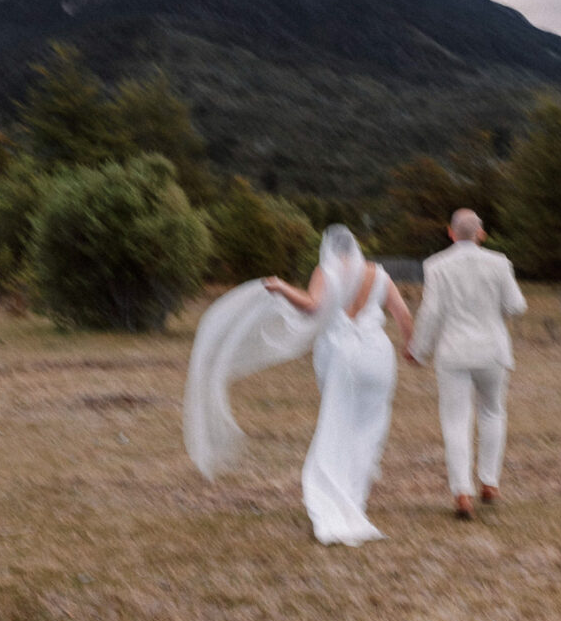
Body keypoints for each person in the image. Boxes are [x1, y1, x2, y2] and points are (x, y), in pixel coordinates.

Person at [183, 225, 413, 547]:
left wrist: (279, 287)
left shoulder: (328, 271)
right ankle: (354, 497)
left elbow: (311, 305)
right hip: (377, 357)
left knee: (338, 424)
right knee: (370, 428)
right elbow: (403, 315)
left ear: (330, 249)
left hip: (342, 356)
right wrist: (411, 349)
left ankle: (337, 498)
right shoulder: (380, 275)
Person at [406, 209, 526, 519]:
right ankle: (490, 482)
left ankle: (462, 492)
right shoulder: (500, 263)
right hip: (492, 351)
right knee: (492, 412)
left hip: (453, 352)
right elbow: (516, 305)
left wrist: (418, 350)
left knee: (455, 421)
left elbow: (430, 313)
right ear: (482, 234)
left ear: (450, 232)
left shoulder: (436, 266)